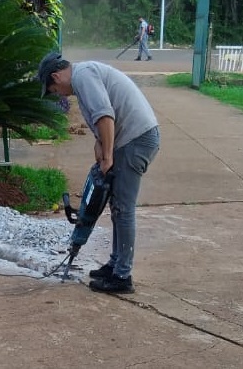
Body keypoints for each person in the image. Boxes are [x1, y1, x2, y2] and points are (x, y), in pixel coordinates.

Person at [37, 52, 160, 293]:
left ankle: (122, 277)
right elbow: (100, 121)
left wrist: (108, 157)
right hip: (131, 139)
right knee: (116, 208)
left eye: (53, 89)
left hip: (136, 140)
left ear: (56, 76)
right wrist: (100, 145)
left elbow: (105, 117)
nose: (57, 94)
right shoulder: (83, 77)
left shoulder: (82, 76)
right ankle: (115, 264)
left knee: (123, 208)